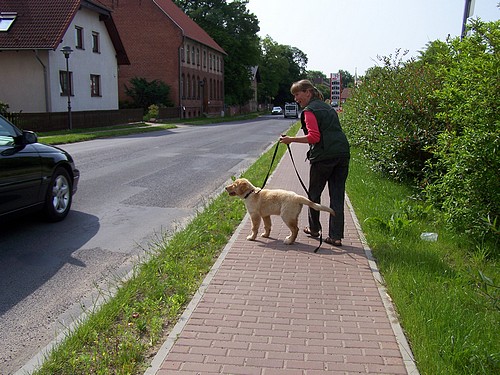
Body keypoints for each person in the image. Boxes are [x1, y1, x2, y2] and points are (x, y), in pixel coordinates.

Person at [279, 79, 350, 246]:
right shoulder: (328, 107)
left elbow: (314, 137)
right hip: (342, 154)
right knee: (337, 196)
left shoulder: (309, 111)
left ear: (308, 93)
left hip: (324, 157)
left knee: (314, 194)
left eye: (297, 94)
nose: (296, 98)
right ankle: (335, 236)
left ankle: (314, 228)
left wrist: (291, 139)